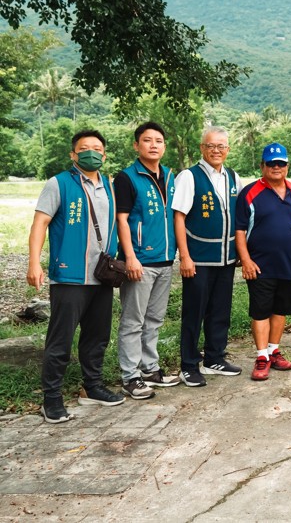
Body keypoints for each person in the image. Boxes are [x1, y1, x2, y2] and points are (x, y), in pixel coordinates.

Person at [27, 129, 125, 423]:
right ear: (73, 154)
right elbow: (40, 223)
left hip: (101, 276)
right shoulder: (58, 184)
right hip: (69, 276)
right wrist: (34, 263)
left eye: (97, 148)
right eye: (84, 148)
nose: (91, 153)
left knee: (97, 337)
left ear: (104, 155)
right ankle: (51, 399)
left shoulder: (109, 186)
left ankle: (92, 387)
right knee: (61, 340)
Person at [172, 126, 243, 387]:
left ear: (228, 149)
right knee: (194, 312)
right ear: (202, 148)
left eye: (221, 146)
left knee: (220, 311)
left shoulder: (233, 177)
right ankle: (189, 365)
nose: (216, 150)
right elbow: (179, 217)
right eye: (211, 146)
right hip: (199, 259)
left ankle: (215, 357)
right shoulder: (189, 177)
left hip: (226, 258)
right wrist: (185, 256)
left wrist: (239, 252)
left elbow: (239, 217)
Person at [115, 122, 180, 400]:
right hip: (140, 261)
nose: (153, 145)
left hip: (165, 260)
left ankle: (150, 369)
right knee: (133, 320)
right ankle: (130, 376)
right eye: (147, 140)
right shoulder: (127, 178)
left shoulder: (170, 176)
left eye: (158, 141)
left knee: (154, 319)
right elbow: (122, 220)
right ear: (136, 145)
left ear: (164, 146)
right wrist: (130, 257)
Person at [236, 143, 291, 381]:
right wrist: (246, 260)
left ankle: (274, 351)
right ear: (262, 166)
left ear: (287, 166)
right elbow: (240, 230)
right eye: (271, 163)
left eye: (281, 163)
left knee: (280, 309)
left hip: (289, 264)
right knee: (261, 312)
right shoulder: (250, 193)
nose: (276, 167)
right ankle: (262, 356)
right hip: (260, 266)